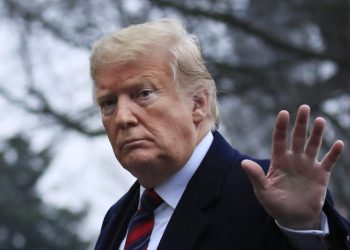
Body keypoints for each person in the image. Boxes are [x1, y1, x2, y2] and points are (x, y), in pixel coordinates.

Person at [90, 18, 350, 250]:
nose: (123, 117)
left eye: (143, 94)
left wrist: (302, 229)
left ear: (198, 103)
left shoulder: (270, 196)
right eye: (108, 103)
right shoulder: (118, 217)